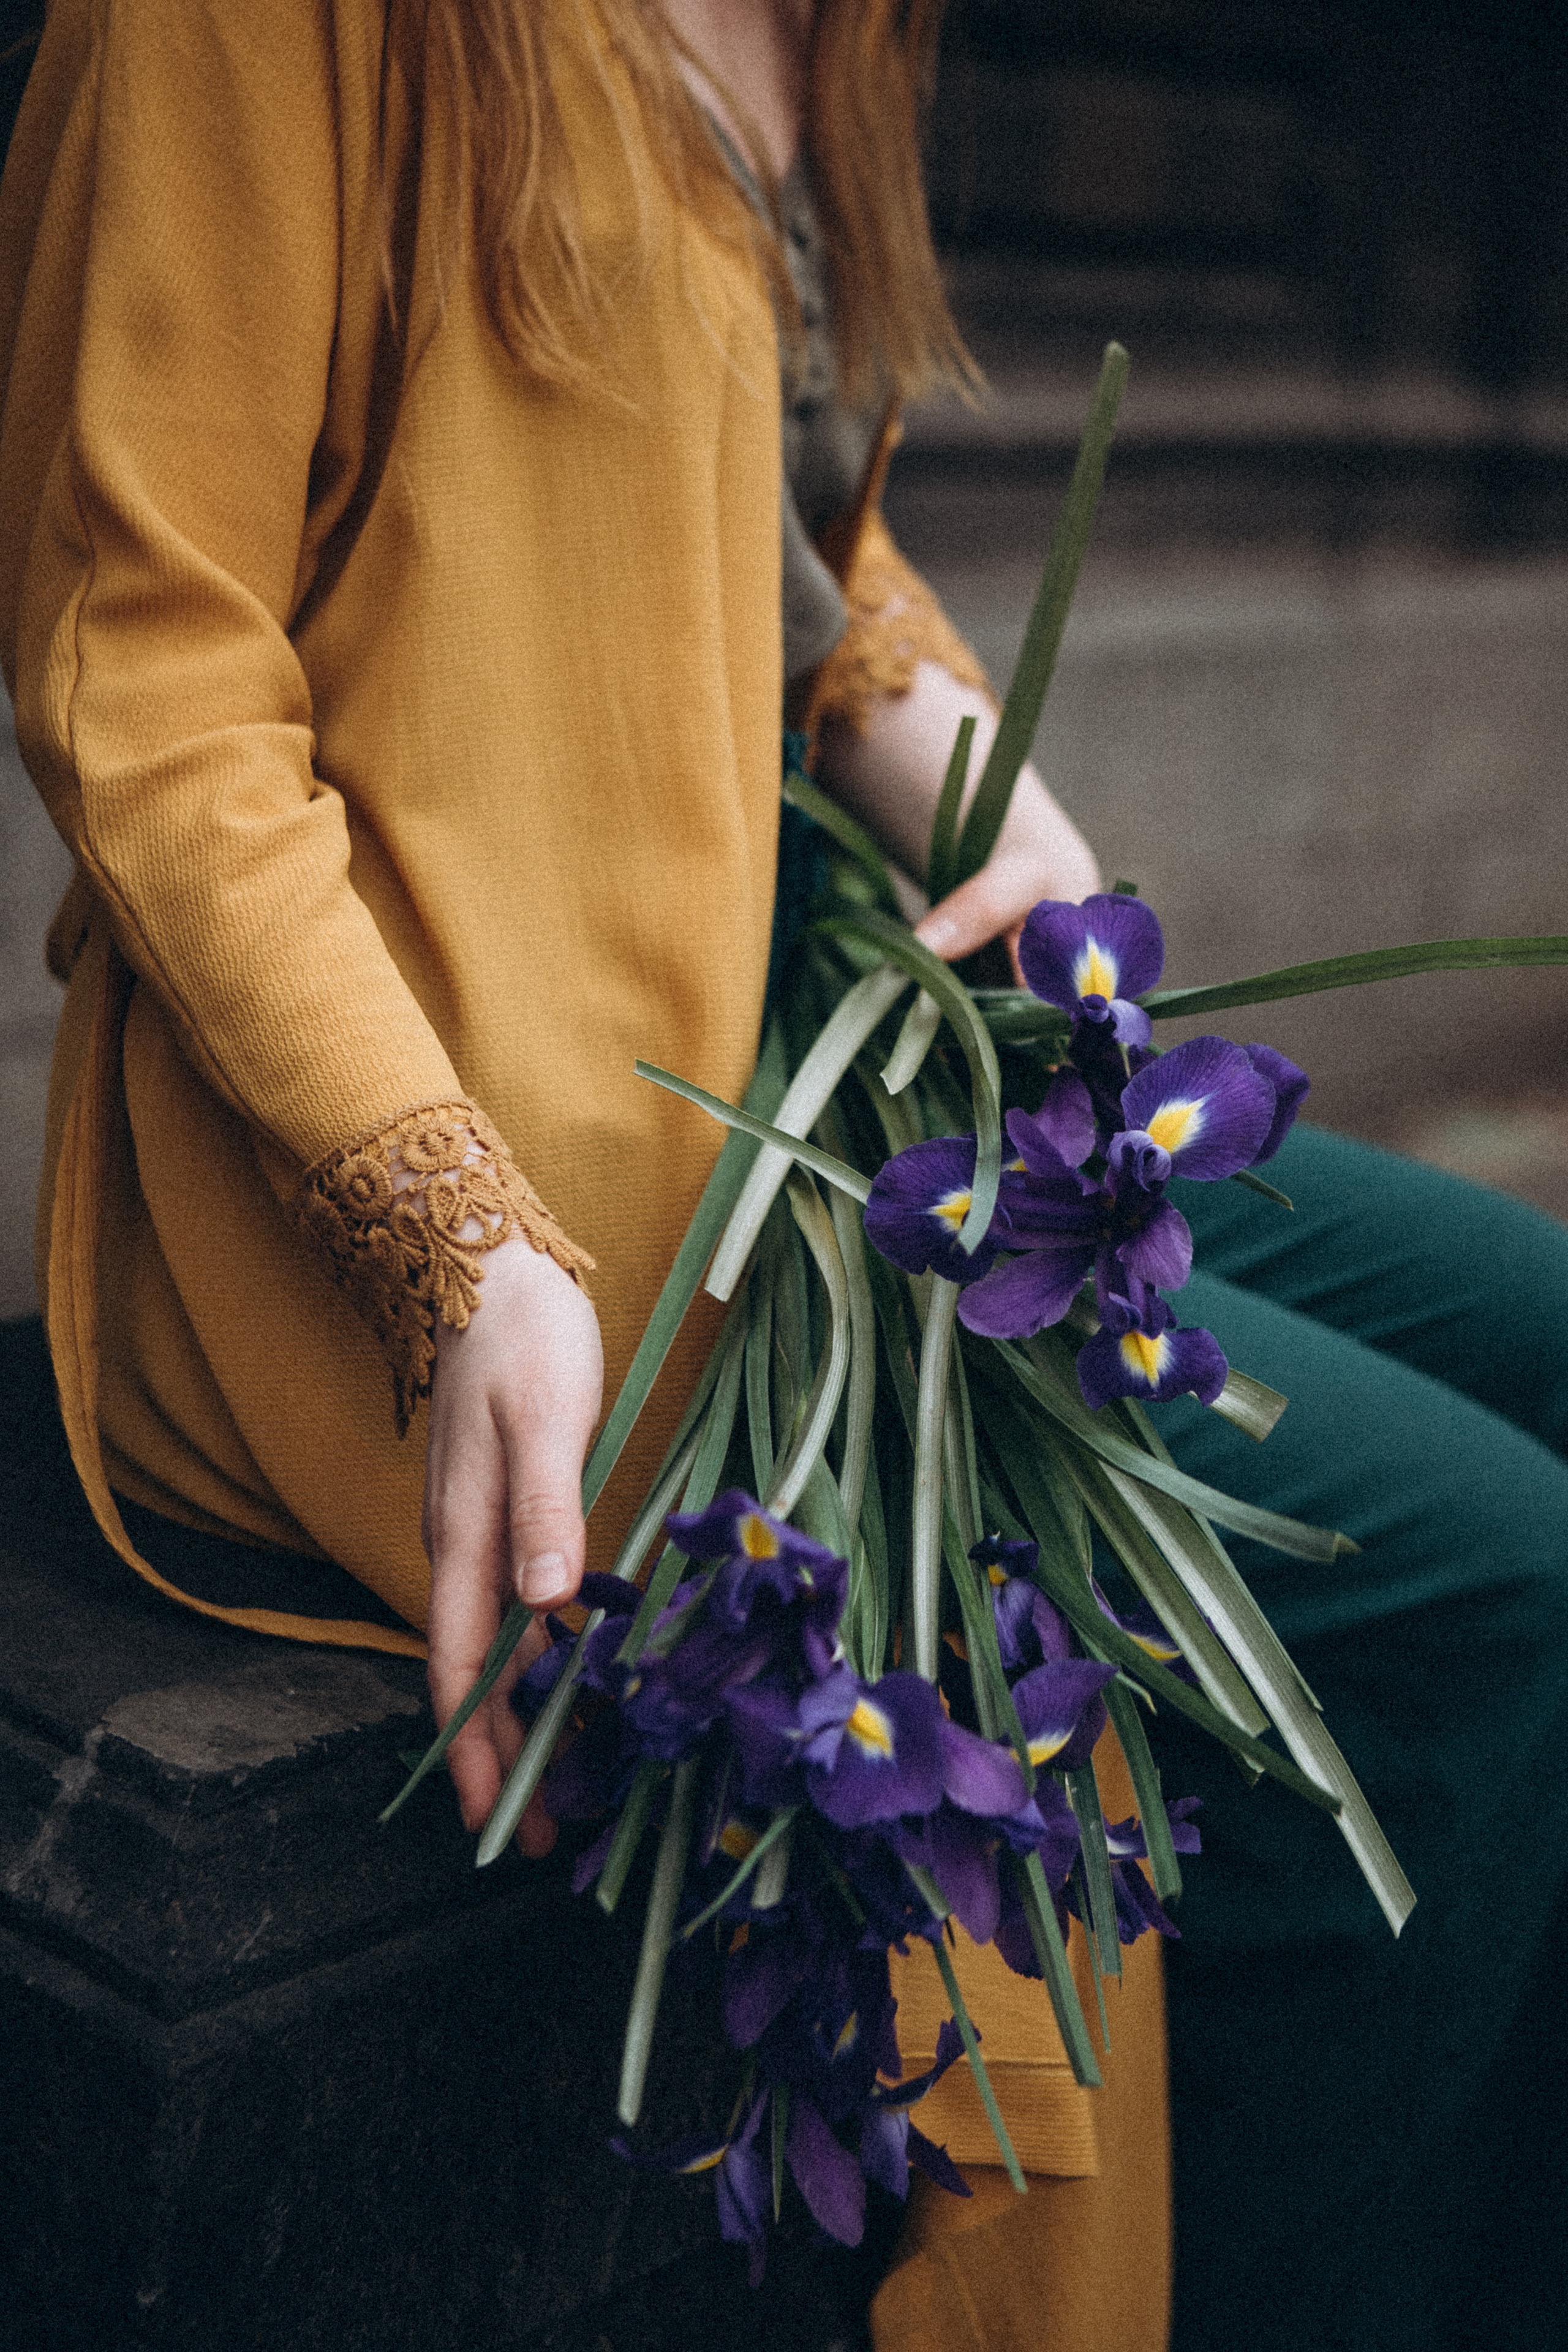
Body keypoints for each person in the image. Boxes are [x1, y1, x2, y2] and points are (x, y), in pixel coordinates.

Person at [8, 7, 1568, 2351]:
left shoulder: (844, 24)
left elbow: (786, 539)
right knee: (1494, 1590)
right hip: (455, 1116)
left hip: (805, 1022)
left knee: (1535, 1329)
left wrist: (944, 755)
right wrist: (440, 1221)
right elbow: (145, 672)